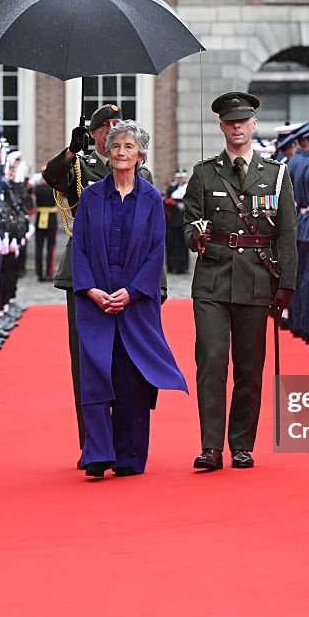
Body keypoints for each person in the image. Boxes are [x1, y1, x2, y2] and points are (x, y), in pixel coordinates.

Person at [183, 91, 298, 470]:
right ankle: (211, 446)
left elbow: (286, 235)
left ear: (253, 125)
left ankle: (242, 443)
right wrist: (195, 234)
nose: (236, 127)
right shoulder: (203, 173)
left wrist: (287, 286)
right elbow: (187, 226)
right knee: (212, 360)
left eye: (242, 121)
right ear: (221, 127)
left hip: (255, 279)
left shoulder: (276, 175)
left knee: (249, 365)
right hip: (213, 279)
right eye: (230, 122)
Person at [71, 120, 187, 477]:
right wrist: (90, 289)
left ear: (140, 155)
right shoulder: (90, 197)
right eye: (116, 146)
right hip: (95, 297)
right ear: (106, 151)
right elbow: (80, 247)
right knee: (95, 373)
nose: (121, 152)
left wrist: (133, 291)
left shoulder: (151, 198)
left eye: (129, 147)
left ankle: (130, 456)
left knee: (131, 375)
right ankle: (97, 453)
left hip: (136, 298)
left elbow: (157, 250)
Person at [43, 105, 157, 464]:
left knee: (128, 363)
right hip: (87, 270)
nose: (115, 136)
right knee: (89, 363)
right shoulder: (79, 165)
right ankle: (92, 443)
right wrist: (71, 150)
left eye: (120, 131)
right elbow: (53, 176)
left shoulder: (144, 176)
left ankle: (125, 444)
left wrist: (154, 286)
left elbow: (153, 236)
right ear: (96, 137)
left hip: (131, 276)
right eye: (106, 129)